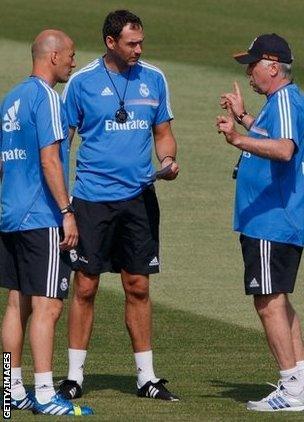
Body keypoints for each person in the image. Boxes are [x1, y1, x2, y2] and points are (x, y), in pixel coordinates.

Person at [58, 10, 180, 402]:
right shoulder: (81, 82)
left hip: (139, 199)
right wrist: (64, 205)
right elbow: (62, 144)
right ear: (111, 42)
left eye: (141, 42)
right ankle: (74, 376)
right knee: (86, 286)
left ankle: (147, 377)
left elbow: (164, 134)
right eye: (131, 43)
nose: (138, 50)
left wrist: (166, 161)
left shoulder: (154, 78)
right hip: (92, 200)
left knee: (138, 286)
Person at [0, 29, 93, 416]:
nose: (73, 61)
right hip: (41, 217)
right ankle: (43, 393)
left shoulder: (11, 99)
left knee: (16, 304)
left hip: (9, 216)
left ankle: (9, 389)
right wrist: (67, 212)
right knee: (49, 305)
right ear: (52, 56)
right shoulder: (48, 99)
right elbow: (50, 160)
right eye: (70, 54)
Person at [217, 33, 304, 412]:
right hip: (272, 220)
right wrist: (245, 118)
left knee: (269, 302)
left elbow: (284, 148)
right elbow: (274, 136)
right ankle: (299, 379)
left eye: (253, 65)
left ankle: (291, 388)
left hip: (272, 220)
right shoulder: (279, 102)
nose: (249, 72)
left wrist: (236, 138)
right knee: (278, 302)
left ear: (273, 67)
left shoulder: (284, 99)